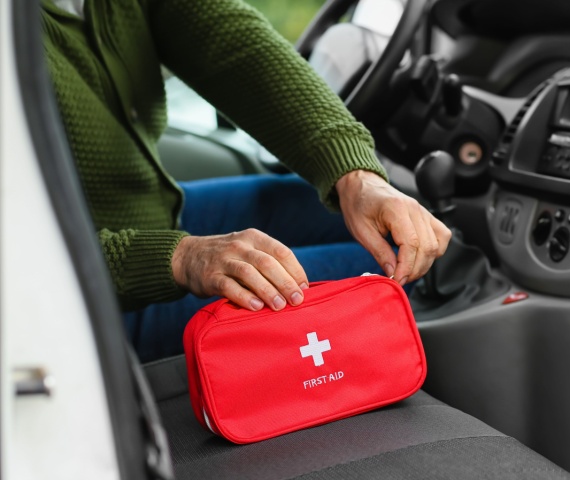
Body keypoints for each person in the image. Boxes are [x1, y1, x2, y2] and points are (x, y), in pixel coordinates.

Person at [42, 0, 451, 361]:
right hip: (89, 305)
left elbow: (235, 48)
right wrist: (181, 259)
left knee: (349, 217)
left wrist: (356, 175)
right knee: (393, 277)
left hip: (155, 216)